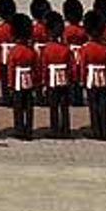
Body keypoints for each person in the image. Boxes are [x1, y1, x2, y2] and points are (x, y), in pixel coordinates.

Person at [76, 11, 106, 140]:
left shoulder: (85, 48)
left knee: (93, 104)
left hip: (91, 78)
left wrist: (81, 79)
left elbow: (83, 66)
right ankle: (104, 130)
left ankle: (96, 130)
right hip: (103, 77)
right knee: (103, 104)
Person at [38, 11, 73, 139]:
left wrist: (43, 82)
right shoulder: (65, 49)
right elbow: (71, 66)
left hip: (52, 80)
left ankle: (55, 129)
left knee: (53, 106)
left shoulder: (47, 49)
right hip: (64, 80)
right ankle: (65, 128)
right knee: (64, 106)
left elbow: (44, 67)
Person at [6, 13, 37, 140]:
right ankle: (28, 129)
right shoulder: (31, 51)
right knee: (29, 106)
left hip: (18, 82)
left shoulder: (14, 51)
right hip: (29, 81)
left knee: (18, 107)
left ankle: (19, 129)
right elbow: (35, 68)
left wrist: (10, 84)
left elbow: (11, 69)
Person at [0, 0, 17, 105]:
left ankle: (6, 97)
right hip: (16, 53)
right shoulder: (16, 27)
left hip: (4, 55)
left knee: (4, 77)